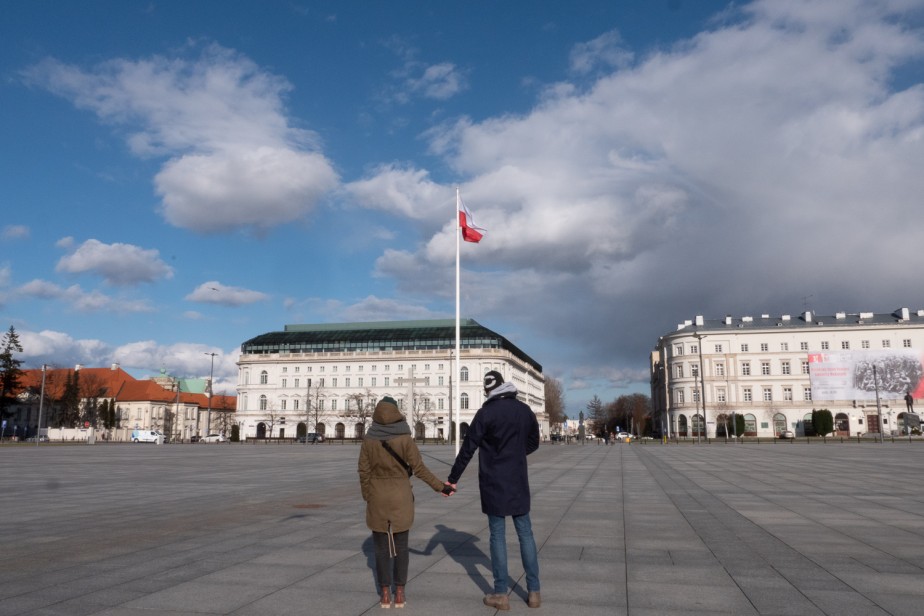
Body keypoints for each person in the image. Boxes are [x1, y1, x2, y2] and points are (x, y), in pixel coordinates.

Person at [447, 370, 541, 610]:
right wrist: (516, 455)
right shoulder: (524, 411)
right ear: (505, 385)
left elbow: (468, 448)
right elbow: (533, 442)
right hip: (518, 480)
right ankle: (534, 592)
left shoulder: (485, 413)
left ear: (488, 390)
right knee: (526, 533)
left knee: (497, 535)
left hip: (493, 481)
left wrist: (453, 479)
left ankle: (501, 593)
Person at [358, 396, 454, 609]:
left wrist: (368, 495)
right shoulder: (405, 438)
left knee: (381, 549)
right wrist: (442, 487)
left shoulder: (369, 439)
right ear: (396, 412)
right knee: (401, 547)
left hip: (377, 496)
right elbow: (419, 469)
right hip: (401, 496)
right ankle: (399, 592)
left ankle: (384, 593)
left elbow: (363, 471)